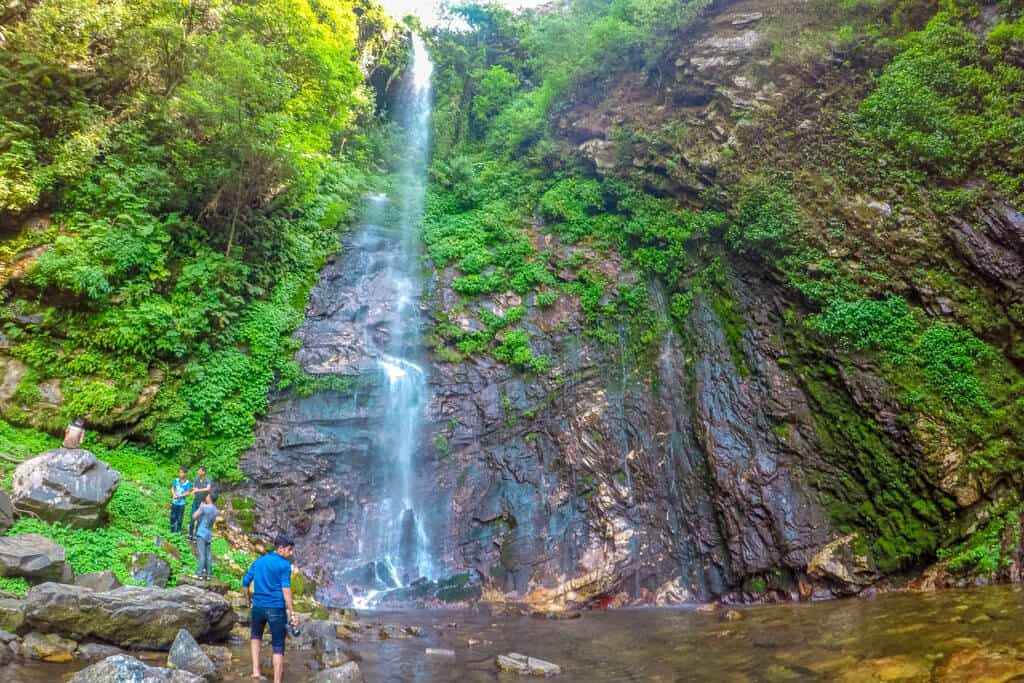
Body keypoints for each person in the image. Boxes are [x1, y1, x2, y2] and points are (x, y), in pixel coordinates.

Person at [243, 534, 299, 683]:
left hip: (258, 607)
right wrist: (292, 612)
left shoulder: (258, 562)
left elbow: (245, 582)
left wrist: (248, 600)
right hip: (276, 609)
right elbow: (286, 590)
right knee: (278, 645)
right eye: (289, 549)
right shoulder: (284, 565)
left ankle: (256, 671)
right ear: (280, 549)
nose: (291, 553)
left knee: (255, 636)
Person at [192, 492, 218, 580]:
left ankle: (198, 573)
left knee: (201, 554)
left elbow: (194, 516)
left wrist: (200, 507)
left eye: (207, 495)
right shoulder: (215, 510)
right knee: (208, 555)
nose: (206, 496)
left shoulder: (204, 507)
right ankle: (208, 574)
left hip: (201, 532)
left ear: (209, 498)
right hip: (209, 534)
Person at [188, 466, 214, 541]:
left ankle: (196, 536)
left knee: (199, 520)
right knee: (192, 518)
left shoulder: (207, 481)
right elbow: (194, 488)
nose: (198, 472)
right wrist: (191, 491)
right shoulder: (196, 479)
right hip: (195, 502)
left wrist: (198, 490)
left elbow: (208, 488)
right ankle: (190, 534)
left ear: (203, 472)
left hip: (203, 504)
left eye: (199, 470)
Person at [169, 468, 192, 533]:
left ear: (185, 474)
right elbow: (172, 488)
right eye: (179, 472)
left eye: (181, 472)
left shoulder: (187, 483)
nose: (180, 474)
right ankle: (172, 530)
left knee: (180, 518)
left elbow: (188, 492)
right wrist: (173, 494)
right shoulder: (176, 480)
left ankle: (178, 531)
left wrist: (181, 496)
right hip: (174, 502)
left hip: (182, 503)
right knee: (173, 516)